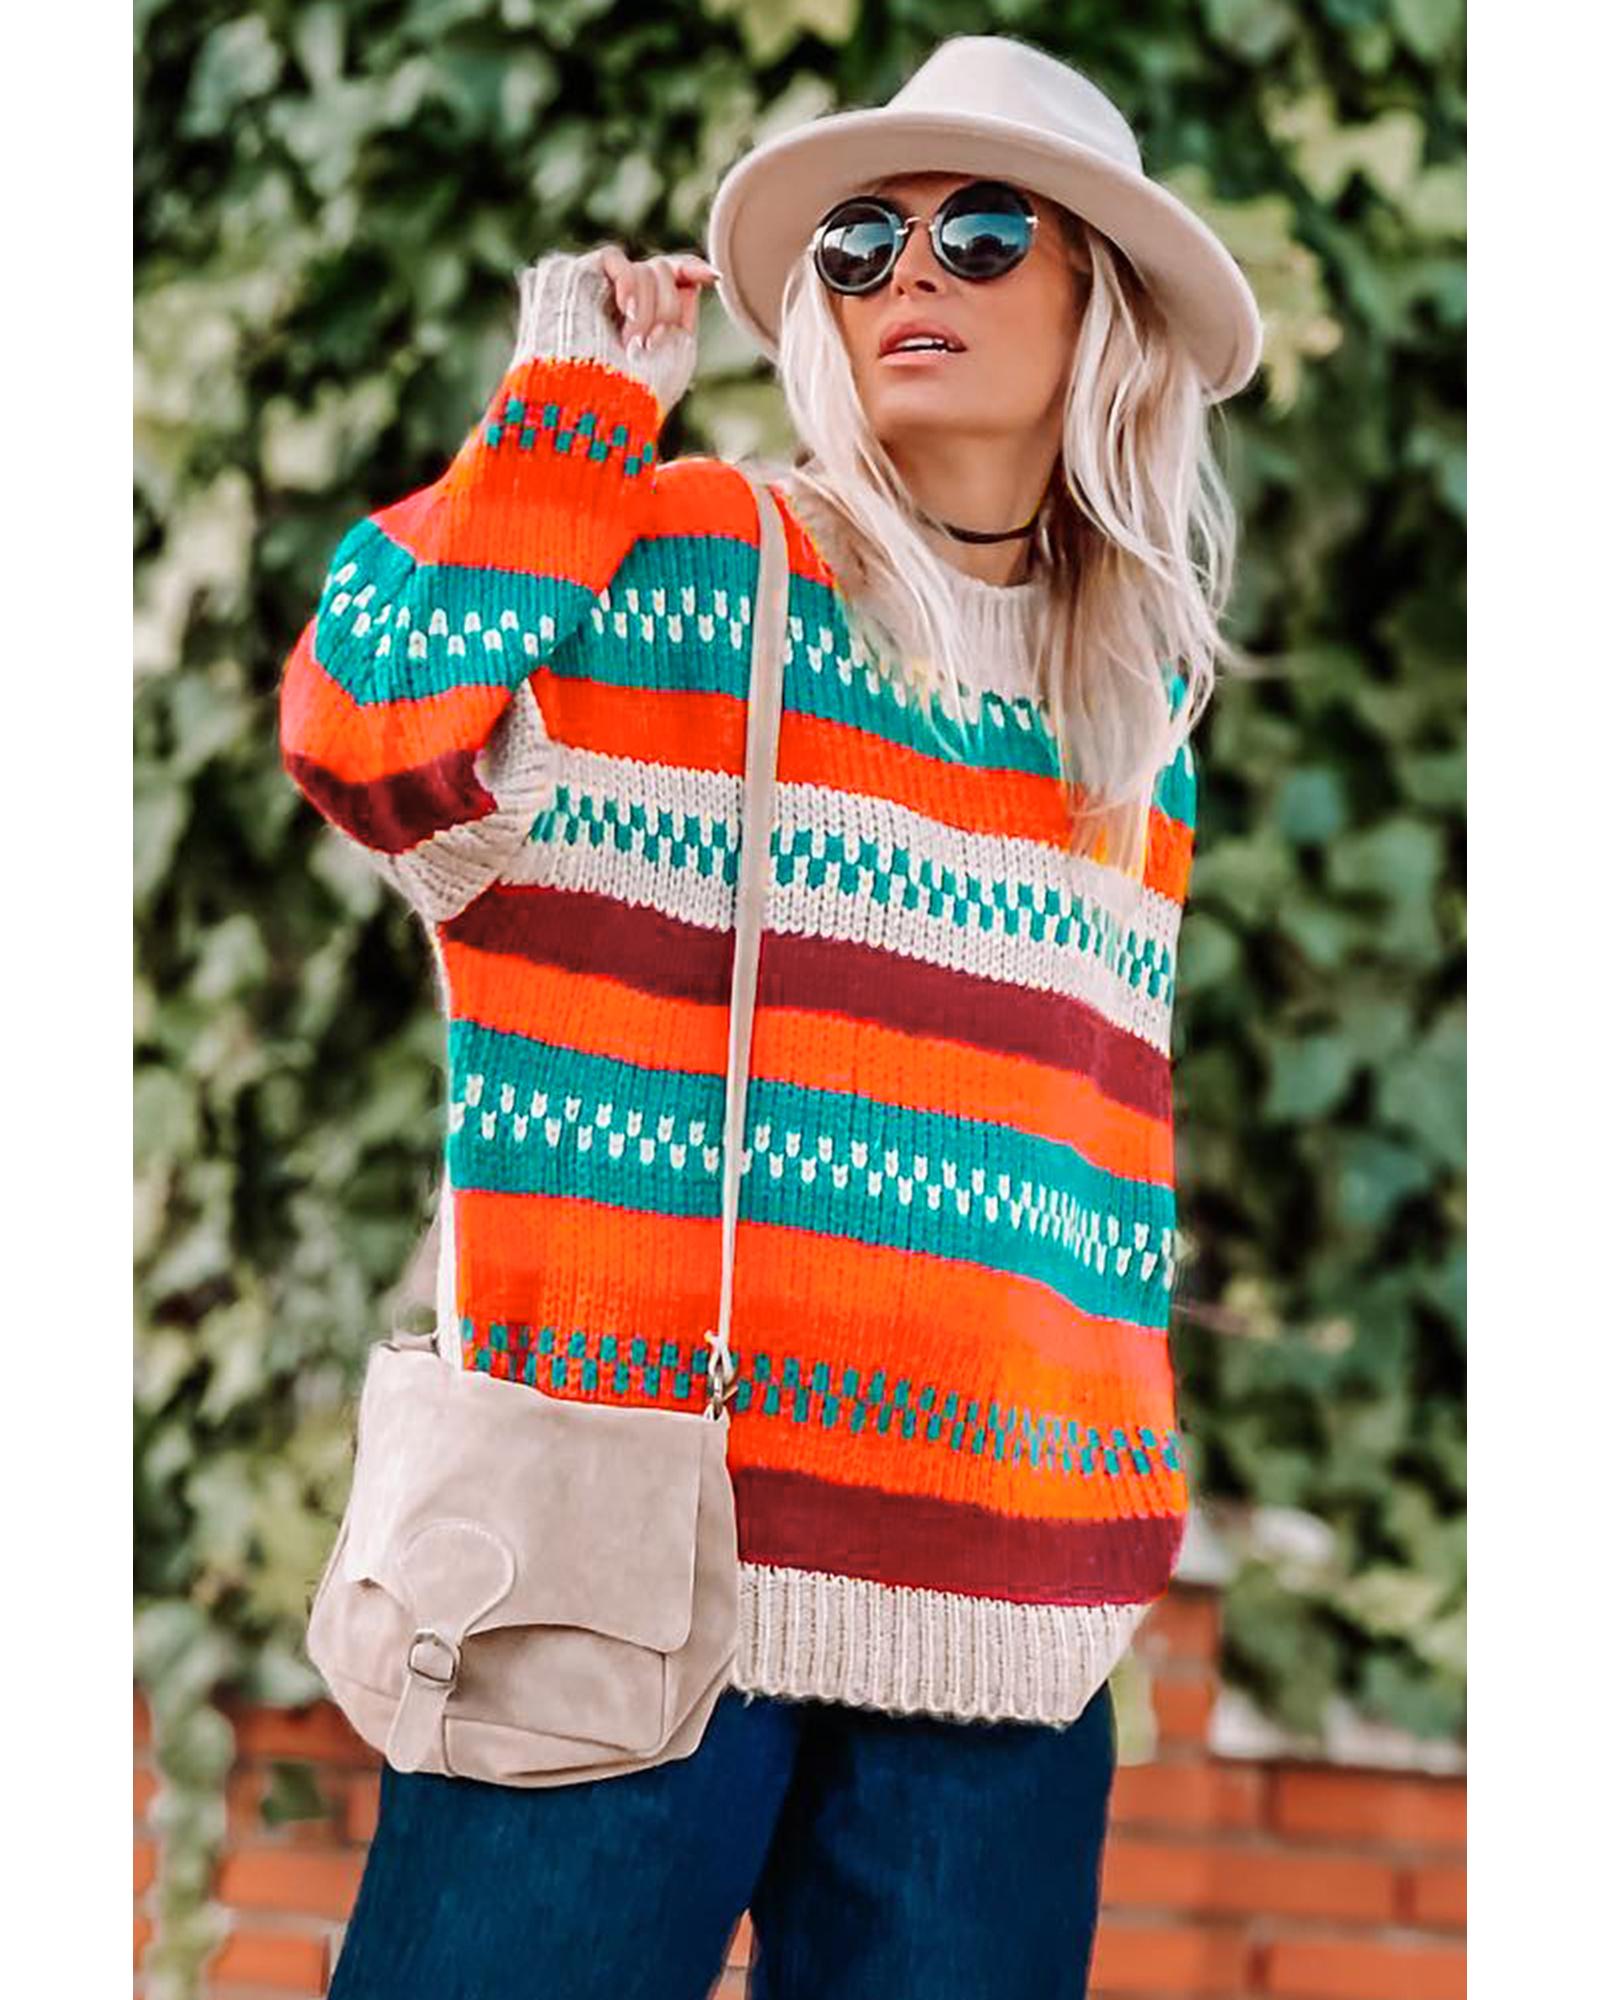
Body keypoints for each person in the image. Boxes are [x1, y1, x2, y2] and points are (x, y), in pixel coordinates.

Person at [279, 32, 1262, 2000]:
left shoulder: (1135, 707)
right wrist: (566, 419)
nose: (911, 275)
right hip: (618, 1581)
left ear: (1106, 304)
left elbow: (1084, 1166)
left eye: (983, 233)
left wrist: (1104, 1530)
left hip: (999, 1624)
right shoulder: (693, 566)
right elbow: (370, 732)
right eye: (861, 243)